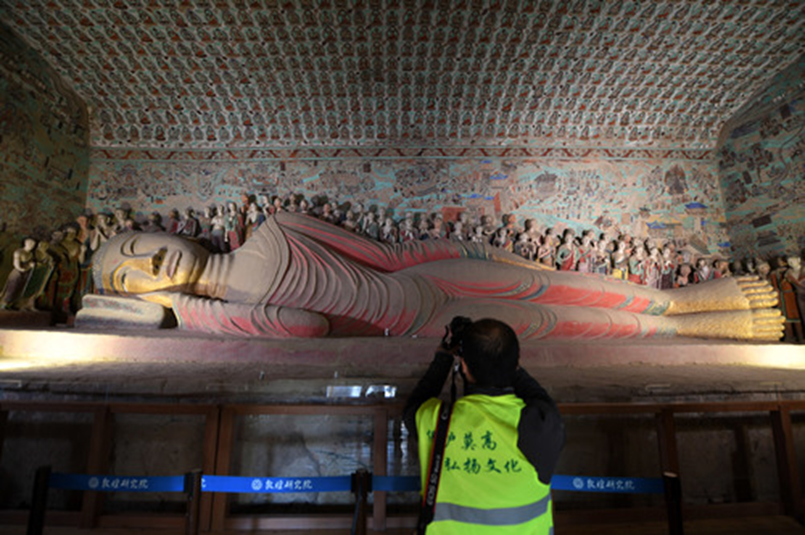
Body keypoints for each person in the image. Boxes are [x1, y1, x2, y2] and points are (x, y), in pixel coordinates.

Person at [83, 211, 784, 341]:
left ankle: (682, 301)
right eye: (130, 278)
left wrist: (496, 258)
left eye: (140, 245)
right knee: (568, 321)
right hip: (425, 322)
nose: (151, 264)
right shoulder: (224, 310)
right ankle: (693, 324)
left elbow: (388, 256)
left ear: (165, 231)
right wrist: (196, 311)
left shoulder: (281, 228)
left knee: (560, 286)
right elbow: (307, 325)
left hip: (427, 281)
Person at [403, 317, 565, 534]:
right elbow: (543, 402)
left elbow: (413, 405)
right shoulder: (540, 425)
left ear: (464, 367)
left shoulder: (436, 420)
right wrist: (508, 366)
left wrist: (443, 359)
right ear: (516, 363)